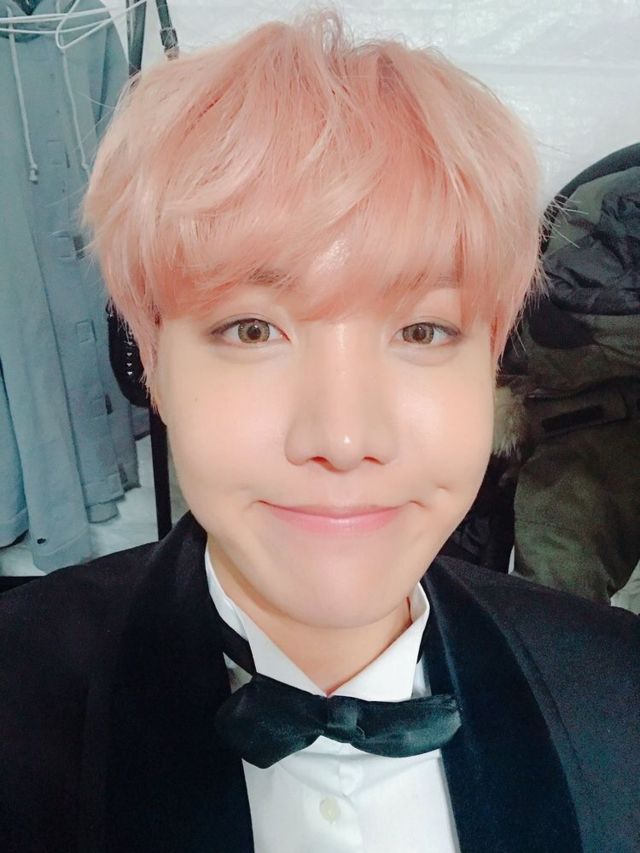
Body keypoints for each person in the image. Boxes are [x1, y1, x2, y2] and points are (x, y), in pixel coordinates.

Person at [0, 8, 638, 853]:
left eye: (422, 330)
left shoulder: (620, 693)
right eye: (253, 329)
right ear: (153, 361)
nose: (342, 437)